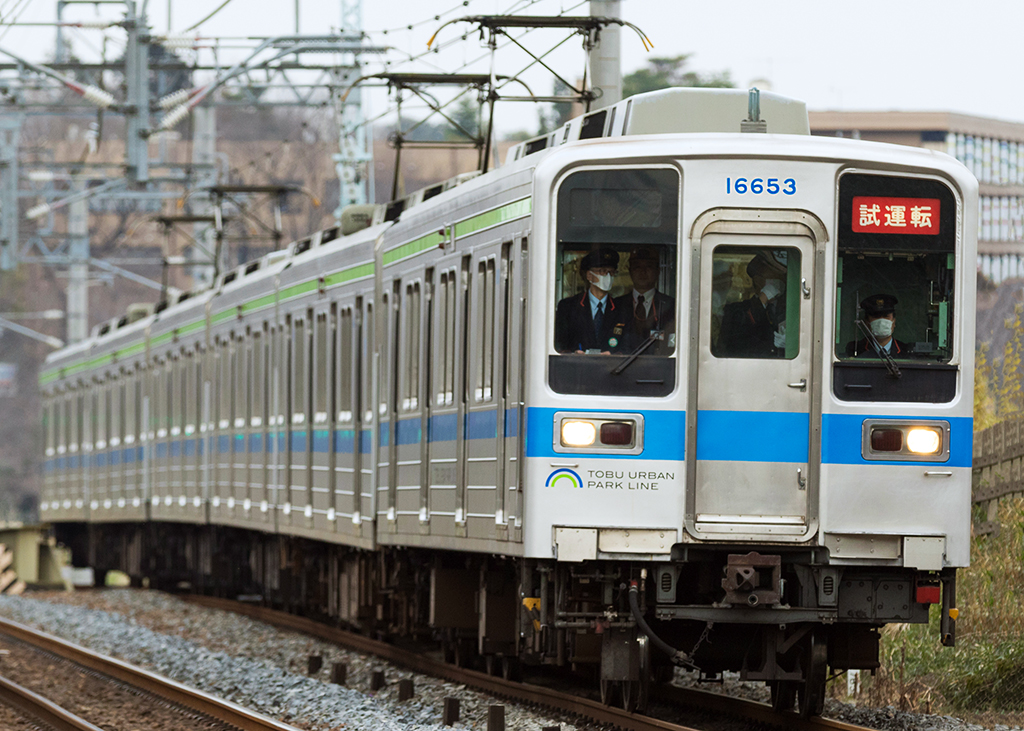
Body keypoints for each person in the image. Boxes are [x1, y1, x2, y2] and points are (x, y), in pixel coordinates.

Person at [717, 251, 788, 358]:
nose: (779, 280)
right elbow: (734, 344)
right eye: (773, 276)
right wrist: (762, 300)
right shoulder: (735, 311)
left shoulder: (789, 306)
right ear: (758, 280)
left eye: (780, 277)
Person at [554, 247, 623, 354]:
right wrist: (572, 354)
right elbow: (560, 343)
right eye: (602, 271)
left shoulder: (622, 309)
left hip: (613, 364)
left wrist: (613, 355)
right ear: (589, 275)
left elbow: (627, 346)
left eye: (612, 272)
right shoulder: (568, 306)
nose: (608, 276)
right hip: (576, 364)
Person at [612, 245, 676, 354]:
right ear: (630, 271)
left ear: (658, 271)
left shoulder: (671, 306)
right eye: (637, 267)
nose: (643, 272)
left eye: (649, 267)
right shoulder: (616, 305)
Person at [845, 293, 909, 357]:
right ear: (867, 323)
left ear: (894, 322)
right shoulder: (855, 350)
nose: (881, 321)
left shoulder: (906, 352)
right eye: (876, 316)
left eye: (886, 316)